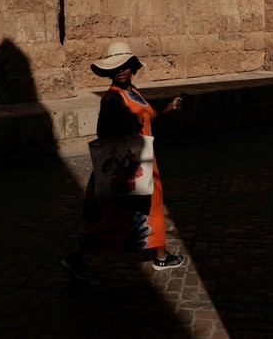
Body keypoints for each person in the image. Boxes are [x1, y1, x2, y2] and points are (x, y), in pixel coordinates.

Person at [60, 42, 185, 282]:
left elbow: (147, 113)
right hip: (124, 169)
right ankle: (75, 255)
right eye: (115, 68)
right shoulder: (111, 99)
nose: (120, 71)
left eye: (125, 66)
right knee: (110, 218)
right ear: (109, 72)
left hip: (140, 163)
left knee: (152, 206)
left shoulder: (132, 91)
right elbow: (104, 131)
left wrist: (168, 107)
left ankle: (161, 256)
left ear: (132, 68)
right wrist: (129, 125)